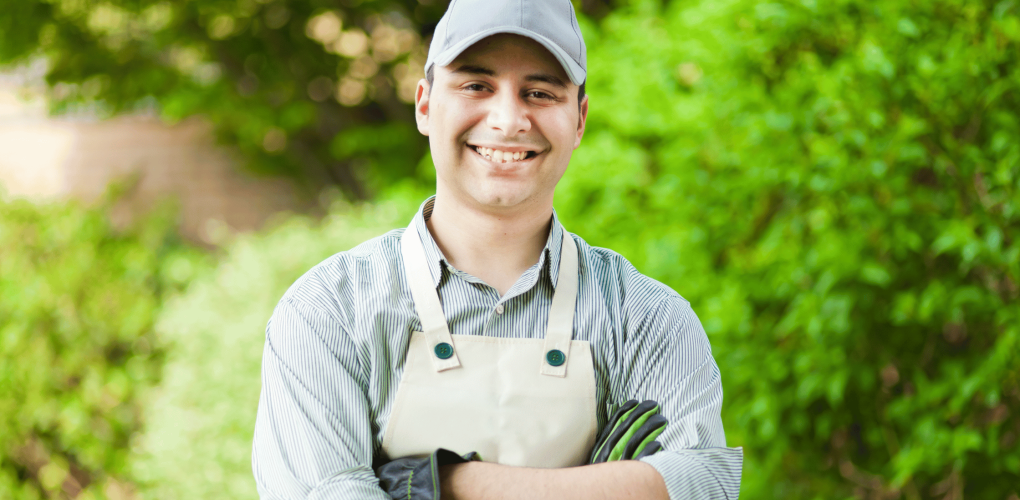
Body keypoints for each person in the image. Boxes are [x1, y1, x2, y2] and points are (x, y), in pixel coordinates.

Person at [251, 0, 743, 498]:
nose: (509, 120)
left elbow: (706, 483)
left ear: (579, 120)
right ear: (424, 105)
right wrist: (609, 487)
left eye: (539, 92)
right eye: (476, 85)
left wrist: (455, 484)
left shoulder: (647, 320)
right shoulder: (329, 312)